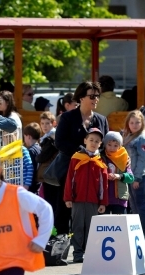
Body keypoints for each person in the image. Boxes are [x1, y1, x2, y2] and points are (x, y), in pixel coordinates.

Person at [51, 81, 109, 234]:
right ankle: (60, 250)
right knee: (64, 210)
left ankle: (89, 248)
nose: (95, 99)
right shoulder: (67, 118)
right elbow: (59, 142)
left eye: (97, 96)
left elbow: (104, 145)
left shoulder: (101, 120)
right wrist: (82, 152)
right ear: (81, 97)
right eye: (92, 96)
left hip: (93, 174)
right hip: (70, 171)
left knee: (92, 211)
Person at [63, 128, 108, 263]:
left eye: (97, 141)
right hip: (77, 199)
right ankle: (77, 253)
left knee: (91, 227)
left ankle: (90, 253)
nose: (93, 143)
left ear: (100, 144)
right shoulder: (76, 158)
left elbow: (103, 184)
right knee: (77, 226)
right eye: (91, 140)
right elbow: (69, 179)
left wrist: (103, 202)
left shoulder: (100, 161)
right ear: (85, 141)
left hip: (93, 201)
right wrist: (68, 198)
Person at [122, 110, 145, 240]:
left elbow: (143, 159)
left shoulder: (143, 138)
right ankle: (137, 231)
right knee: (134, 206)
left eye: (137, 122)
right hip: (131, 175)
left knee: (140, 205)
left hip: (140, 176)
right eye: (132, 122)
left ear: (142, 123)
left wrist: (137, 178)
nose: (134, 125)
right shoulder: (130, 135)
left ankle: (144, 233)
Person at [100, 131, 134, 215]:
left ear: (120, 146)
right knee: (105, 225)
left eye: (115, 145)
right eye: (109, 145)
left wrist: (119, 176)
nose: (112, 148)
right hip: (104, 199)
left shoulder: (124, 158)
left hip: (120, 199)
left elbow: (131, 178)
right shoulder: (100, 157)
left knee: (120, 225)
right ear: (105, 145)